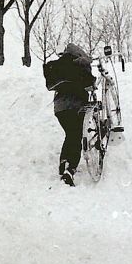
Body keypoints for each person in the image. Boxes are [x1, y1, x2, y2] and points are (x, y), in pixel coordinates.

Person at [43, 43, 95, 186]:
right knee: (75, 135)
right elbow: (89, 83)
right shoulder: (80, 64)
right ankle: (69, 169)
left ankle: (64, 163)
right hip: (75, 107)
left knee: (70, 134)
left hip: (60, 109)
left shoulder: (60, 65)